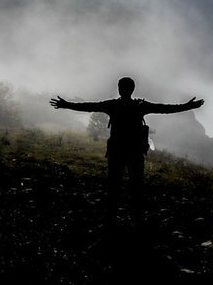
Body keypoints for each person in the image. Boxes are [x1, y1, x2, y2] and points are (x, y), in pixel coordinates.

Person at [50, 77, 204, 224]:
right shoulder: (140, 105)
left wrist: (66, 104)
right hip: (135, 153)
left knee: (114, 186)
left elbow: (89, 106)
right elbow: (165, 109)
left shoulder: (113, 105)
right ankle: (136, 218)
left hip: (117, 151)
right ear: (132, 89)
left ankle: (113, 219)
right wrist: (187, 106)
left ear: (119, 89)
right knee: (136, 186)